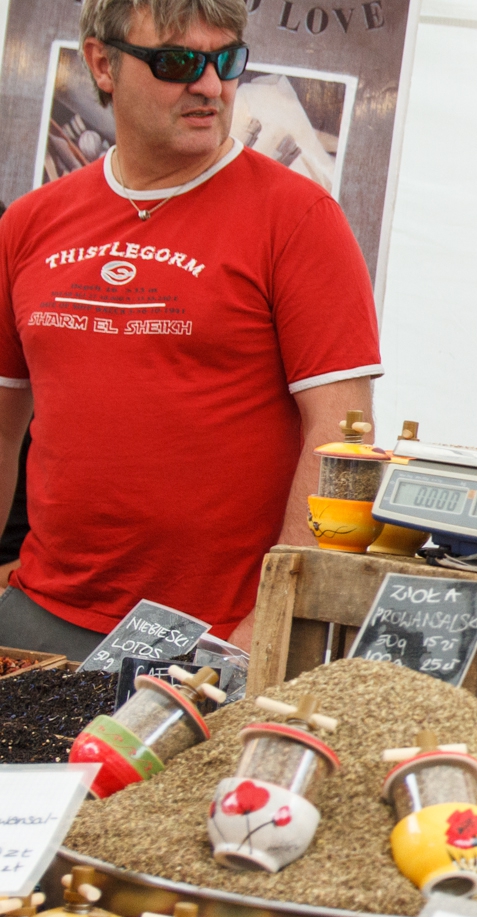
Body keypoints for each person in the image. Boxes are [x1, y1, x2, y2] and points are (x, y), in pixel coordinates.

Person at [0, 0, 382, 659]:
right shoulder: (32, 222)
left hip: (211, 638)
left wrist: (272, 616)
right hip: (41, 616)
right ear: (102, 63)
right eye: (178, 62)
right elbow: (3, 421)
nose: (210, 86)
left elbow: (340, 437)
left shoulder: (299, 219)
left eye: (226, 59)